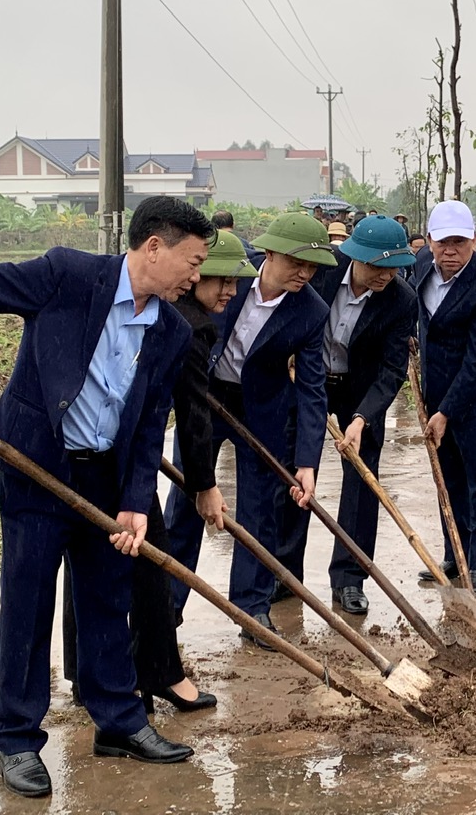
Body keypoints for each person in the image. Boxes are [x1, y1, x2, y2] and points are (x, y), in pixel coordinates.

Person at [0, 196, 213, 798]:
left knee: (106, 597)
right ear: (155, 247)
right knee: (29, 604)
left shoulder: (172, 329)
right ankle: (18, 740)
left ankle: (119, 721)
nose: (198, 277)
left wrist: (134, 499)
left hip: (106, 477)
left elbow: (151, 421)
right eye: (194, 261)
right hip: (38, 466)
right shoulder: (67, 276)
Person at [62, 230, 256, 715]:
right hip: (115, 450)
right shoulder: (185, 327)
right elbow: (193, 417)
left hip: (114, 443)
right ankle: (156, 672)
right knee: (149, 563)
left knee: (96, 562)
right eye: (218, 281)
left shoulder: (171, 314)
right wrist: (204, 486)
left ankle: (96, 677)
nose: (228, 292)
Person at [163, 213, 336, 639]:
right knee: (188, 495)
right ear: (271, 253)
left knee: (261, 509)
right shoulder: (229, 273)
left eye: (313, 267)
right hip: (205, 394)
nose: (305, 274)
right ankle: (167, 604)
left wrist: (307, 461)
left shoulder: (311, 310)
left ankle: (252, 610)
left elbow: (313, 389)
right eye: (298, 263)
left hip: (261, 407)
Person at [310, 216, 417, 613]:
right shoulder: (323, 270)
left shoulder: (401, 300)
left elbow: (392, 370)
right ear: (355, 258)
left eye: (393, 268)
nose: (386, 276)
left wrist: (360, 420)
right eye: (377, 267)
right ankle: (280, 577)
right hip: (310, 379)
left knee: (362, 481)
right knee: (294, 471)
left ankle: (350, 578)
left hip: (362, 388)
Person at [410, 200, 476, 593]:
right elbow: (416, 309)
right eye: (443, 242)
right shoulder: (421, 267)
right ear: (430, 241)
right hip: (436, 395)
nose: (450, 250)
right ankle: (456, 554)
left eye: (460, 242)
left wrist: (447, 412)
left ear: (474, 240)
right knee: (447, 478)